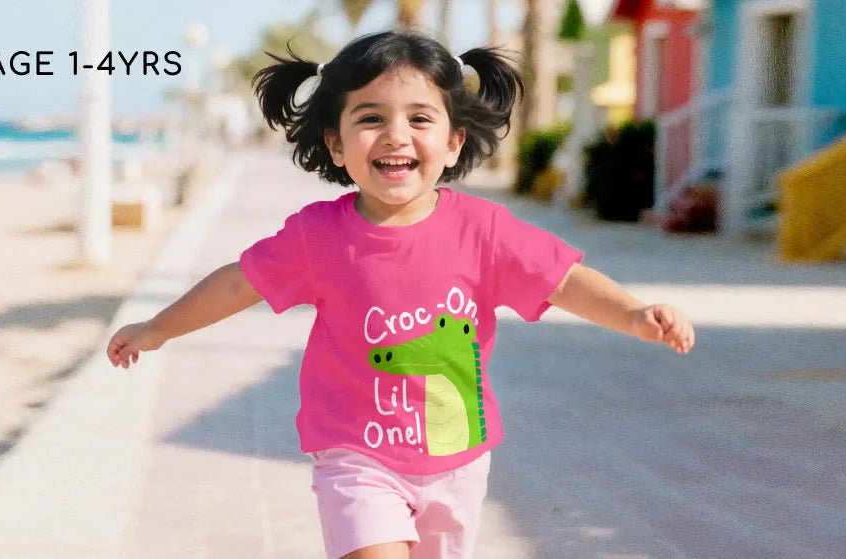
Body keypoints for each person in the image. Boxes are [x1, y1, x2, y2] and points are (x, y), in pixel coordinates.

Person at [106, 30, 695, 559]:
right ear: (336, 145)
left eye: (419, 118)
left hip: (458, 460)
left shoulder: (484, 230)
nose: (396, 135)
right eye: (370, 119)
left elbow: (561, 280)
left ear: (455, 140)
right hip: (354, 455)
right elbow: (240, 281)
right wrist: (159, 328)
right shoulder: (318, 235)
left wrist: (634, 313)